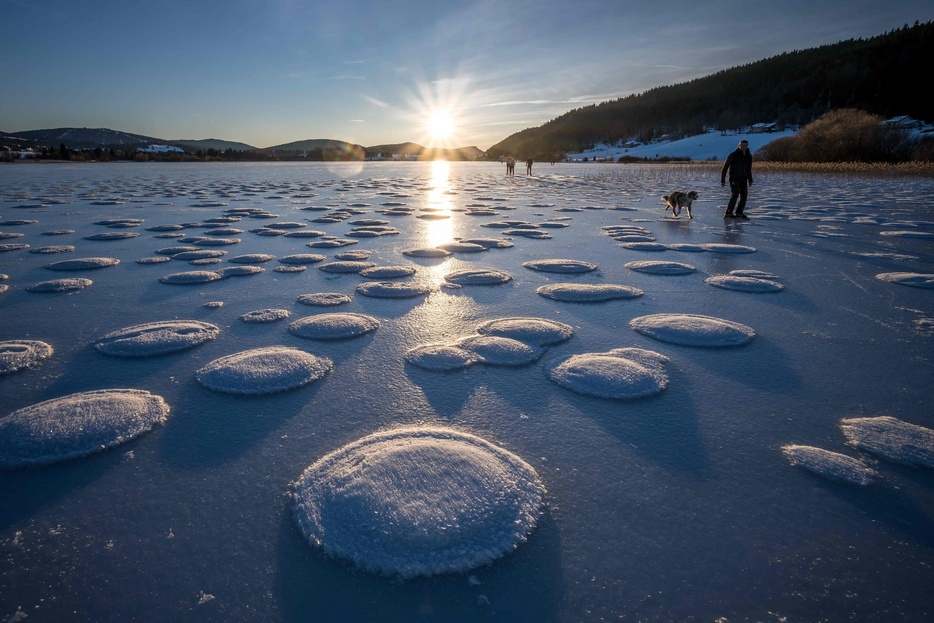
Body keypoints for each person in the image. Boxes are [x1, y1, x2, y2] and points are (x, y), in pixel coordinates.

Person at [720, 139, 753, 219]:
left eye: (745, 146)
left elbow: (749, 169)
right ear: (739, 145)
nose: (744, 147)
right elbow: (725, 168)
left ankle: (739, 212)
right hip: (734, 179)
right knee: (734, 195)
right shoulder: (733, 155)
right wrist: (723, 179)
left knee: (744, 196)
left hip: (743, 179)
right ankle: (728, 213)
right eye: (742, 145)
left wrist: (750, 179)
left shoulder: (749, 156)